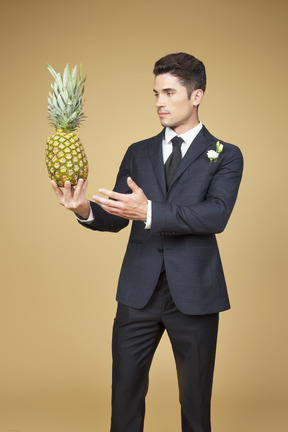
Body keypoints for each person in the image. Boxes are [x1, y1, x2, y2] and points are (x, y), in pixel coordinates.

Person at [51, 52, 243, 432]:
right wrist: (83, 208)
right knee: (124, 393)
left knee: (195, 400)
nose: (159, 102)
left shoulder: (226, 155)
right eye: (155, 93)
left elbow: (216, 215)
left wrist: (151, 212)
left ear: (196, 96)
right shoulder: (138, 152)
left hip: (195, 293)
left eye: (169, 92)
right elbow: (119, 217)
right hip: (138, 292)